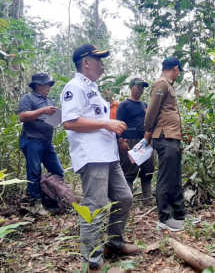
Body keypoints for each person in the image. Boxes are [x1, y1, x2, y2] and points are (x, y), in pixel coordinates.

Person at [61, 44, 139, 273]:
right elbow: (70, 122)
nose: (103, 64)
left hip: (108, 155)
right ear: (86, 62)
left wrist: (115, 136)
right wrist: (107, 123)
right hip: (92, 156)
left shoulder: (92, 88)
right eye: (99, 59)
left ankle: (114, 244)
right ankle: (92, 262)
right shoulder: (74, 87)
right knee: (95, 207)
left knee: (124, 197)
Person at [143, 56, 199, 232]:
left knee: (175, 176)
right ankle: (164, 217)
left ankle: (180, 212)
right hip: (164, 136)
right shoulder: (161, 84)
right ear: (175, 68)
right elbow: (151, 111)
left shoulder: (167, 85)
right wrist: (148, 130)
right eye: (178, 72)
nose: (178, 75)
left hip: (172, 137)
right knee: (166, 177)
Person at [18, 73, 65, 216]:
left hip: (47, 141)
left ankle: (54, 197)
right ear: (38, 85)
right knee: (34, 172)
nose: (49, 88)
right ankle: (36, 202)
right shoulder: (28, 98)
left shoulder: (50, 100)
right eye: (46, 85)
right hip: (32, 139)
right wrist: (42, 111)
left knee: (57, 170)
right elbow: (23, 116)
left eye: (50, 85)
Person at [116, 78, 154, 198]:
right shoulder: (124, 105)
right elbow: (118, 124)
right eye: (138, 86)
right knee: (129, 172)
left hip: (144, 141)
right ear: (131, 87)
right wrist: (120, 141)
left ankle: (147, 197)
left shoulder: (144, 104)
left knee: (148, 171)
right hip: (130, 141)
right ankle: (126, 199)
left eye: (142, 87)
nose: (141, 89)